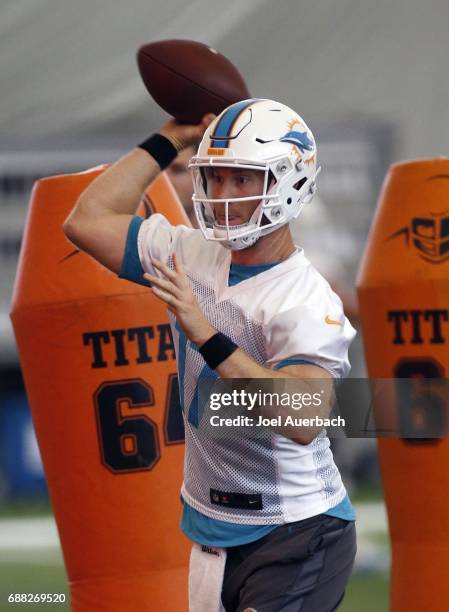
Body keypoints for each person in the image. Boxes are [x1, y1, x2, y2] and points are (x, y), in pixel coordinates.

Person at [63, 98, 357, 612]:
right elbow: (86, 221)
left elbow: (305, 418)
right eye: (215, 177)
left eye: (242, 179)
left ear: (288, 182)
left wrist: (206, 334)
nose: (223, 194)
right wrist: (168, 139)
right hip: (210, 529)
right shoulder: (192, 251)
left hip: (296, 530)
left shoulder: (306, 299)